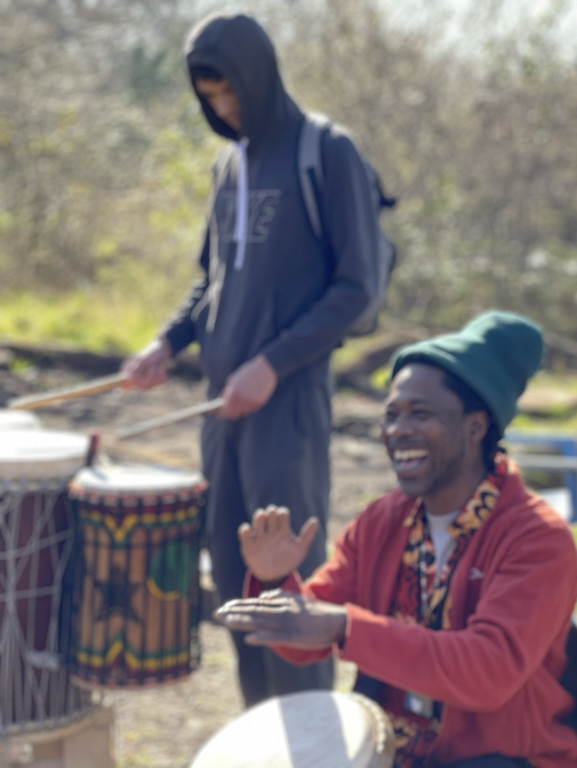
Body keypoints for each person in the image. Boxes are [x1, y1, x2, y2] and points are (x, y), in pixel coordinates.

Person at [122, 12, 385, 706]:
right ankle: (261, 731)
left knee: (285, 588)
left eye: (230, 92)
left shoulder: (327, 152)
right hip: (222, 409)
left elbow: (359, 291)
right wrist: (166, 342)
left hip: (287, 408)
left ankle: (312, 731)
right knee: (236, 586)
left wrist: (273, 362)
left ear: (259, 76)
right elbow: (212, 281)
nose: (223, 108)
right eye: (209, 97)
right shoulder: (228, 165)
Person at [215, 311, 577, 768]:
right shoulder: (384, 520)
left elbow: (488, 672)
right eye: (391, 415)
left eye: (420, 413)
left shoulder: (537, 539)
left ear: (475, 427)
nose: (397, 430)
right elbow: (305, 638)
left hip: (504, 758)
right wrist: (277, 583)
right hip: (399, 750)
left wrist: (343, 626)